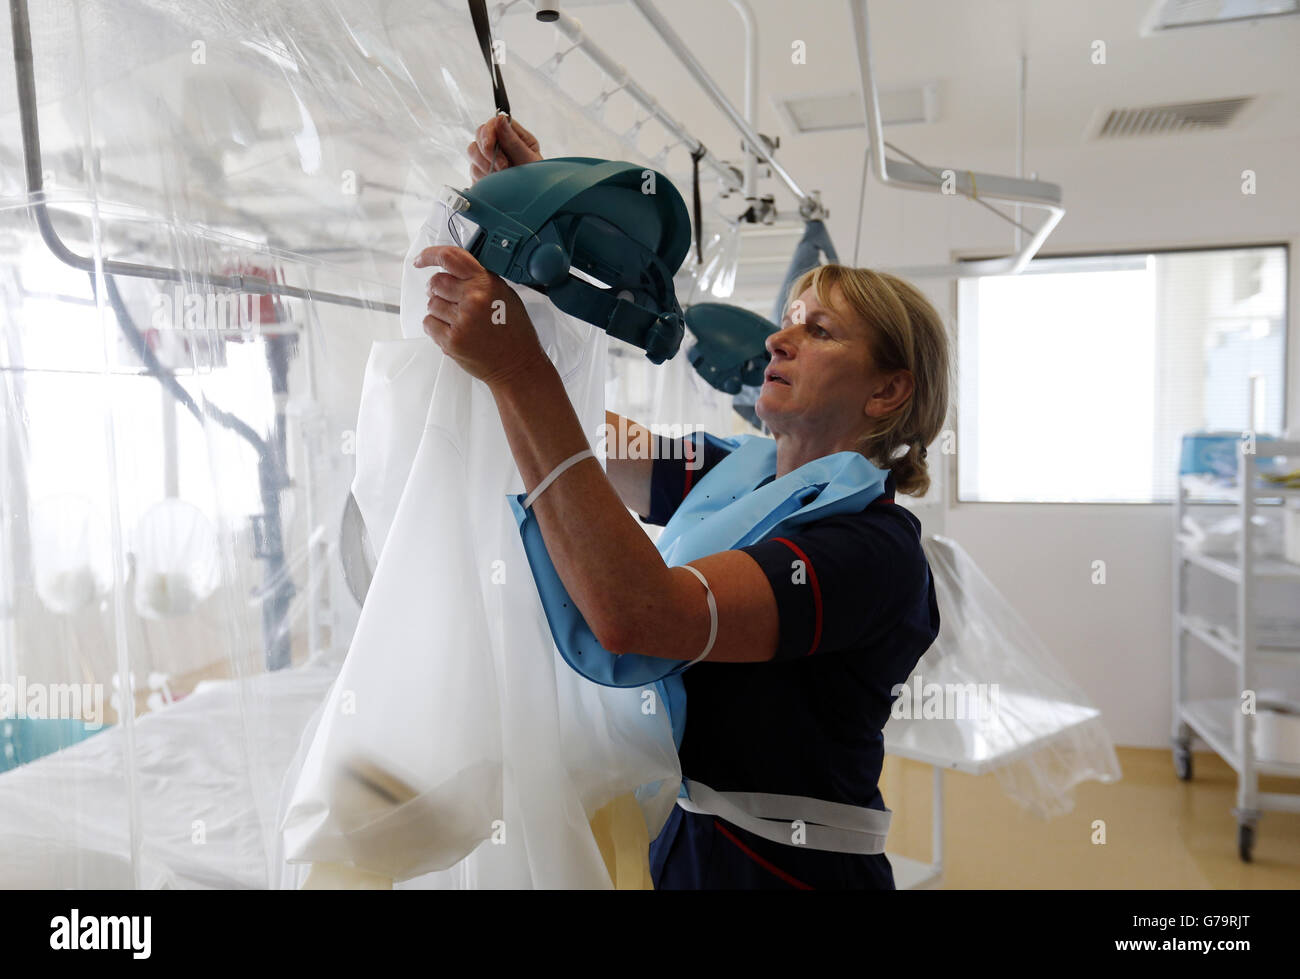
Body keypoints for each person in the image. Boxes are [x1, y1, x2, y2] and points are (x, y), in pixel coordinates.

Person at [416, 115, 946, 889]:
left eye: (819, 330)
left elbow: (642, 616)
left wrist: (518, 372)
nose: (777, 341)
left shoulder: (873, 550)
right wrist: (551, 239)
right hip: (688, 846)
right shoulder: (742, 475)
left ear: (889, 390)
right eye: (788, 323)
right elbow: (591, 440)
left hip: (785, 870)